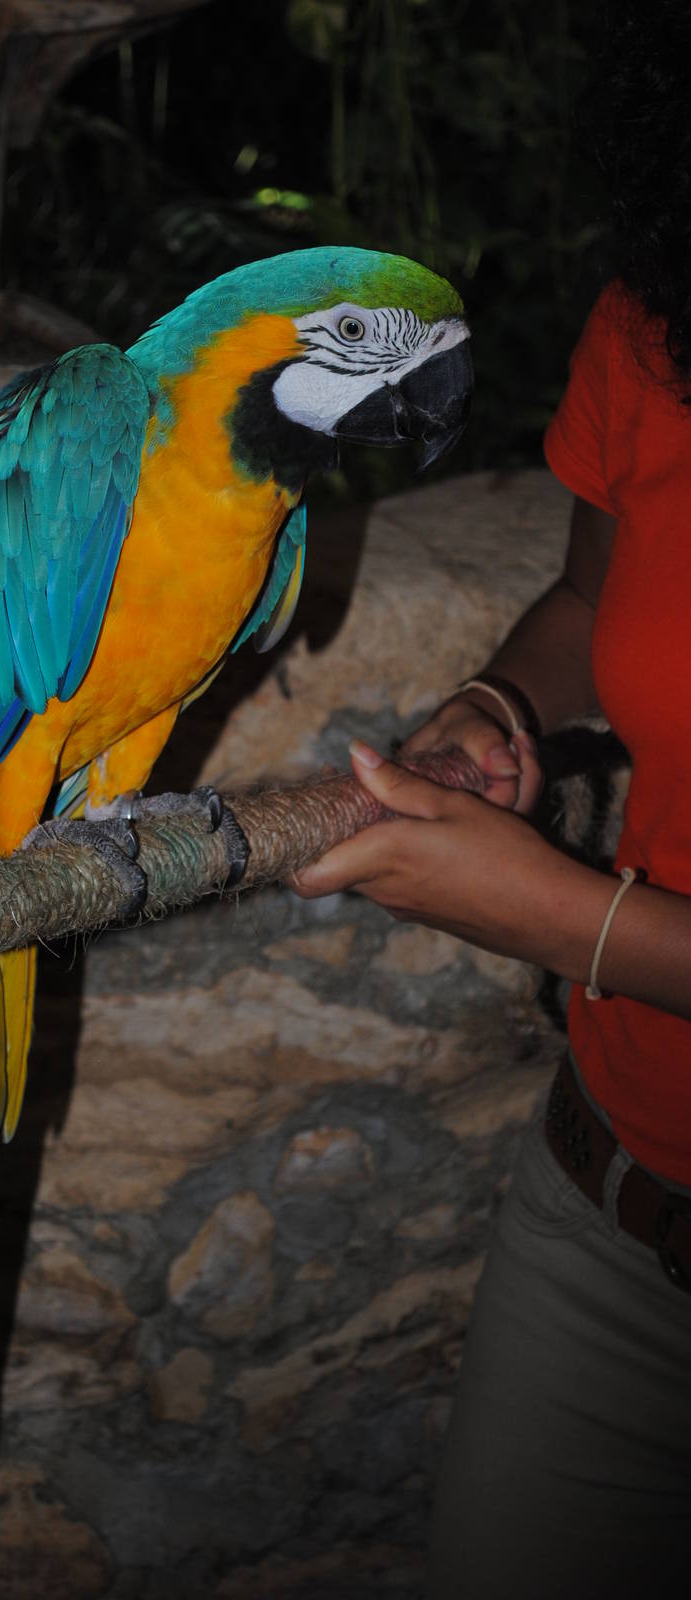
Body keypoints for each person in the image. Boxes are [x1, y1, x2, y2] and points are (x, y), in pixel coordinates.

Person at [291, 6, 691, 1594]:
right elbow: (596, 603)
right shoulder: (659, 326)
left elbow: (573, 920)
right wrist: (503, 702)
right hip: (609, 1219)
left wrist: (563, 919)